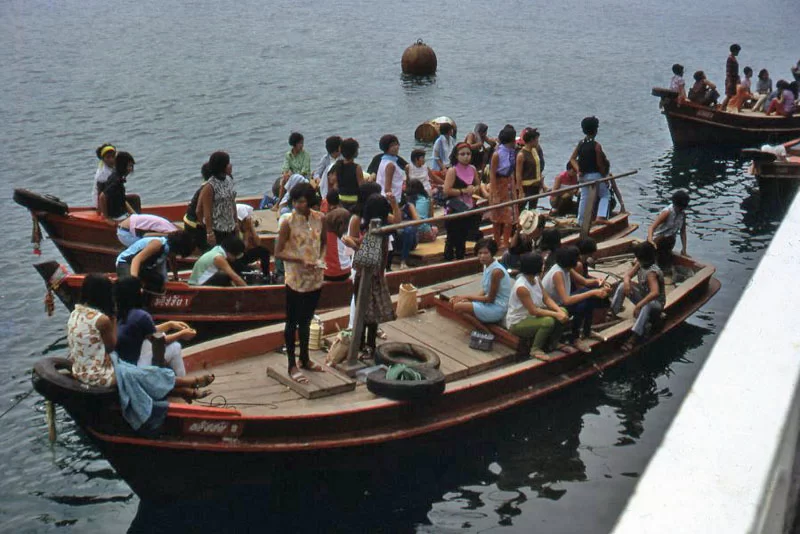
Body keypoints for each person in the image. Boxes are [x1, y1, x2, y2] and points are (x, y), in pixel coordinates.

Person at [67, 274, 214, 431]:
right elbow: (111, 346)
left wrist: (170, 324)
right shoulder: (103, 319)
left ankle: (185, 390)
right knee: (147, 375)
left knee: (140, 373)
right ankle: (189, 383)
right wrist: (113, 318)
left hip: (83, 369)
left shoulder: (75, 313)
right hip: (99, 374)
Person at [274, 183, 327, 384]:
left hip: (315, 278)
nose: (298, 205)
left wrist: (321, 259)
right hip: (295, 279)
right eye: (295, 201)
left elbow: (324, 243)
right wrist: (300, 260)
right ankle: (291, 364)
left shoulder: (320, 218)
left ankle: (304, 358)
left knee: (306, 320)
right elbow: (278, 252)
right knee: (292, 322)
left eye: (302, 201)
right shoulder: (287, 222)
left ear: (309, 201)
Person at [350, 192, 400, 358]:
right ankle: (368, 344)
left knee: (363, 311)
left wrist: (351, 243)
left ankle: (362, 344)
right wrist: (394, 204)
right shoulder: (383, 229)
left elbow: (365, 257)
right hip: (378, 274)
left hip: (367, 275)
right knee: (372, 313)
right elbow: (397, 221)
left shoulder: (373, 231)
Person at [114, 276, 192, 376]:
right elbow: (159, 341)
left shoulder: (118, 314)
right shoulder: (141, 316)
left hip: (120, 365)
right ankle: (183, 380)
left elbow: (149, 331)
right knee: (175, 347)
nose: (142, 291)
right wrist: (182, 334)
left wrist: (170, 324)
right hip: (135, 368)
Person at [542, 246, 610, 352]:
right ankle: (575, 338)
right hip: (554, 306)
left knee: (590, 296)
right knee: (583, 303)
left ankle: (587, 331)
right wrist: (592, 292)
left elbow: (584, 281)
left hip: (561, 302)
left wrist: (598, 281)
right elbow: (566, 300)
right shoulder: (557, 273)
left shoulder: (567, 269)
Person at [505, 252, 570, 360]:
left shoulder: (536, 279)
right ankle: (535, 349)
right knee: (548, 321)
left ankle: (554, 342)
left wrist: (559, 311)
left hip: (534, 315)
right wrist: (556, 314)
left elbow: (546, 298)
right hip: (519, 321)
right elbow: (534, 311)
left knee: (563, 310)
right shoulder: (522, 287)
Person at [608, 242, 666, 350]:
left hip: (656, 303)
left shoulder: (652, 273)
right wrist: (626, 283)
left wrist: (639, 305)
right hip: (644, 297)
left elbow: (655, 292)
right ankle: (613, 313)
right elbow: (628, 275)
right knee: (622, 286)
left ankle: (635, 336)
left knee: (647, 305)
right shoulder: (640, 264)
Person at [451, 238, 512, 323]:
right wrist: (470, 300)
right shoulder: (486, 265)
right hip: (488, 303)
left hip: (497, 308)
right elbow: (485, 290)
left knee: (457, 307)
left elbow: (490, 299)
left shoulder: (496, 272)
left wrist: (467, 297)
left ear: (492, 253)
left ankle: (484, 330)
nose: (482, 256)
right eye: (480, 253)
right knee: (453, 301)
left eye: (486, 253)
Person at [116, 231, 195, 293]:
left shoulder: (169, 249)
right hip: (126, 262)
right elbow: (136, 260)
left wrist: (176, 278)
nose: (176, 255)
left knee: (158, 280)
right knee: (130, 285)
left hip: (142, 267)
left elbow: (173, 261)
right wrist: (134, 282)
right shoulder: (157, 244)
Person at [569, 117, 614, 226]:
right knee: (605, 195)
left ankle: (581, 221)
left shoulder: (581, 143)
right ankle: (601, 216)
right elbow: (600, 164)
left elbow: (572, 159)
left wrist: (578, 170)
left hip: (583, 176)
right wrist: (604, 177)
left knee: (584, 197)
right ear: (595, 130)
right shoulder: (597, 146)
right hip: (595, 176)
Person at [443, 142, 481, 260]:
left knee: (465, 235)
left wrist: (474, 189)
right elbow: (447, 190)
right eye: (462, 154)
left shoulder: (473, 169)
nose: (466, 157)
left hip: (469, 206)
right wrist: (463, 191)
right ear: (456, 155)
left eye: (468, 154)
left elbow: (478, 185)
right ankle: (449, 260)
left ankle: (461, 257)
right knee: (453, 237)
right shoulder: (452, 170)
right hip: (454, 208)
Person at [197, 151, 237, 247]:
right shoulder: (209, 186)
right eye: (228, 163)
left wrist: (236, 222)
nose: (230, 165)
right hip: (217, 230)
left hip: (230, 227)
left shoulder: (228, 180)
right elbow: (206, 211)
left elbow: (232, 202)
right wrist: (209, 232)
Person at [489, 126, 518, 249]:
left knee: (510, 216)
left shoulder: (512, 152)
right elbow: (492, 174)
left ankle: (506, 242)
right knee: (497, 216)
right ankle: (497, 242)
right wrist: (494, 193)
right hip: (499, 183)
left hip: (509, 183)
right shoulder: (497, 154)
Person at [648, 189, 690, 268]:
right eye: (680, 207)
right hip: (658, 240)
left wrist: (684, 250)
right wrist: (650, 241)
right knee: (649, 260)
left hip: (669, 242)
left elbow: (683, 232)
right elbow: (652, 227)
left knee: (665, 263)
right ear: (675, 204)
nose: (682, 209)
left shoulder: (682, 215)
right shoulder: (667, 212)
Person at [232, 204, 271, 282]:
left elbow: (258, 243)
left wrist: (252, 228)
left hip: (242, 256)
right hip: (235, 259)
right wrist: (246, 232)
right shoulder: (233, 229)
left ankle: (266, 276)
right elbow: (241, 248)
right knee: (251, 271)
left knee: (264, 251)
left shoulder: (245, 226)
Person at [98, 151, 137, 222]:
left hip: (120, 211)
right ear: (122, 165)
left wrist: (134, 214)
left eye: (131, 166)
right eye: (129, 166)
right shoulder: (116, 181)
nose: (131, 169)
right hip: (116, 216)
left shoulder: (117, 176)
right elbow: (102, 196)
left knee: (135, 198)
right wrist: (107, 218)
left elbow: (122, 199)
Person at [328, 138, 364, 211]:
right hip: (355, 201)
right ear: (355, 152)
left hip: (341, 200)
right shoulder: (357, 167)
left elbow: (335, 183)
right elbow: (362, 187)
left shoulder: (338, 165)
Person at [183, 162, 213, 251]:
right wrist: (206, 229)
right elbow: (199, 211)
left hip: (191, 220)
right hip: (194, 224)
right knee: (208, 249)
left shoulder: (207, 185)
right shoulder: (208, 188)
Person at [516, 128, 544, 210]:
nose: (538, 142)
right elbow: (518, 174)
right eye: (536, 140)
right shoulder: (521, 155)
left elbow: (538, 168)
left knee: (533, 208)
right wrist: (520, 191)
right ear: (531, 140)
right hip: (526, 186)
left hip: (535, 185)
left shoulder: (535, 150)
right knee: (520, 208)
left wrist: (542, 184)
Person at [323, 207, 353, 282]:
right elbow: (350, 254)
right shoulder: (347, 236)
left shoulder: (323, 234)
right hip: (345, 273)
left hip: (327, 274)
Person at [375, 134, 405, 200]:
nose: (395, 147)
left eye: (396, 144)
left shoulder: (383, 160)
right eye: (392, 145)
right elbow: (387, 189)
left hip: (383, 196)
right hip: (392, 199)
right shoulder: (390, 165)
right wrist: (394, 204)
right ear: (386, 148)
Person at [93, 143, 116, 208]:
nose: (111, 159)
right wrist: (100, 210)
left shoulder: (114, 167)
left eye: (113, 156)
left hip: (112, 197)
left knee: (135, 197)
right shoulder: (102, 173)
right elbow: (100, 194)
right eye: (108, 157)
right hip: (103, 202)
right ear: (102, 159)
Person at [720, 44, 741, 111]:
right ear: (734, 51)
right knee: (729, 95)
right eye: (737, 51)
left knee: (731, 95)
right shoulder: (730, 59)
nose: (738, 52)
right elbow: (728, 71)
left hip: (734, 80)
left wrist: (738, 78)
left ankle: (725, 108)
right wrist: (729, 82)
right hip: (730, 80)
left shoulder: (733, 58)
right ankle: (722, 108)